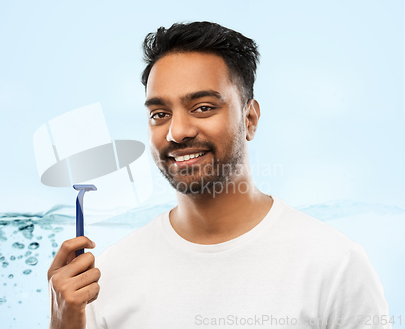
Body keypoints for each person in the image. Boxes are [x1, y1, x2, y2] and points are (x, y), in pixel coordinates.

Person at [47, 21, 392, 329]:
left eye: (203, 108)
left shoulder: (334, 266)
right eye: (160, 113)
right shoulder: (103, 279)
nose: (177, 131)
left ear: (250, 119)